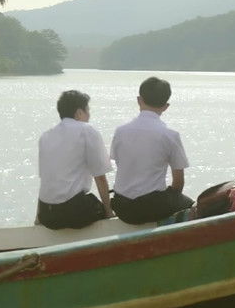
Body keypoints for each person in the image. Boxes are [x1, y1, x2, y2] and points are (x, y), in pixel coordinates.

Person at [109, 76, 194, 224]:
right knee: (192, 206)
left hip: (122, 207)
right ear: (166, 106)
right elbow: (178, 182)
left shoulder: (120, 131)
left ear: (139, 100)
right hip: (152, 207)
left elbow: (119, 162)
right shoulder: (170, 135)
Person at [36, 90, 112, 229]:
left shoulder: (46, 136)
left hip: (47, 215)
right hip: (73, 212)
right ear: (79, 113)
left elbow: (46, 179)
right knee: (98, 205)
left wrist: (38, 218)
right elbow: (100, 176)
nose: (89, 115)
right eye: (87, 110)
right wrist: (108, 212)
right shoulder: (87, 130)